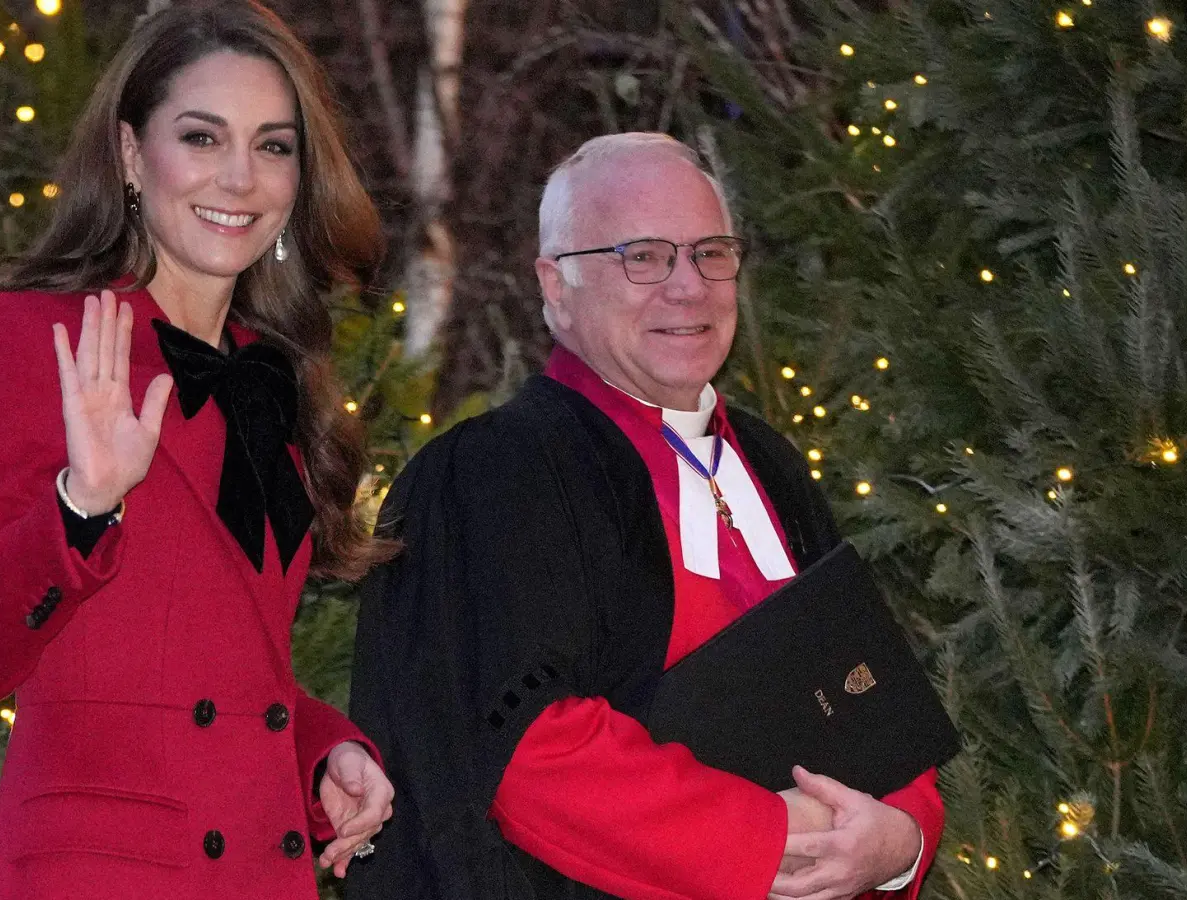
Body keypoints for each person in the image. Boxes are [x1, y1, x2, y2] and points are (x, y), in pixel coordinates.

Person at [346, 133, 945, 900]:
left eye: (711, 253)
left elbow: (875, 699)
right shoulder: (495, 474)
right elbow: (528, 756)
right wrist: (766, 837)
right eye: (643, 256)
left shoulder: (770, 463)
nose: (687, 287)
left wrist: (900, 839)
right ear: (555, 284)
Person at [0, 3, 394, 897]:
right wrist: (78, 508)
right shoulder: (29, 337)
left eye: (274, 147)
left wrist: (321, 752)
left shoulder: (271, 380)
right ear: (132, 155)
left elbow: (223, 678)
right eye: (202, 138)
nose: (240, 178)